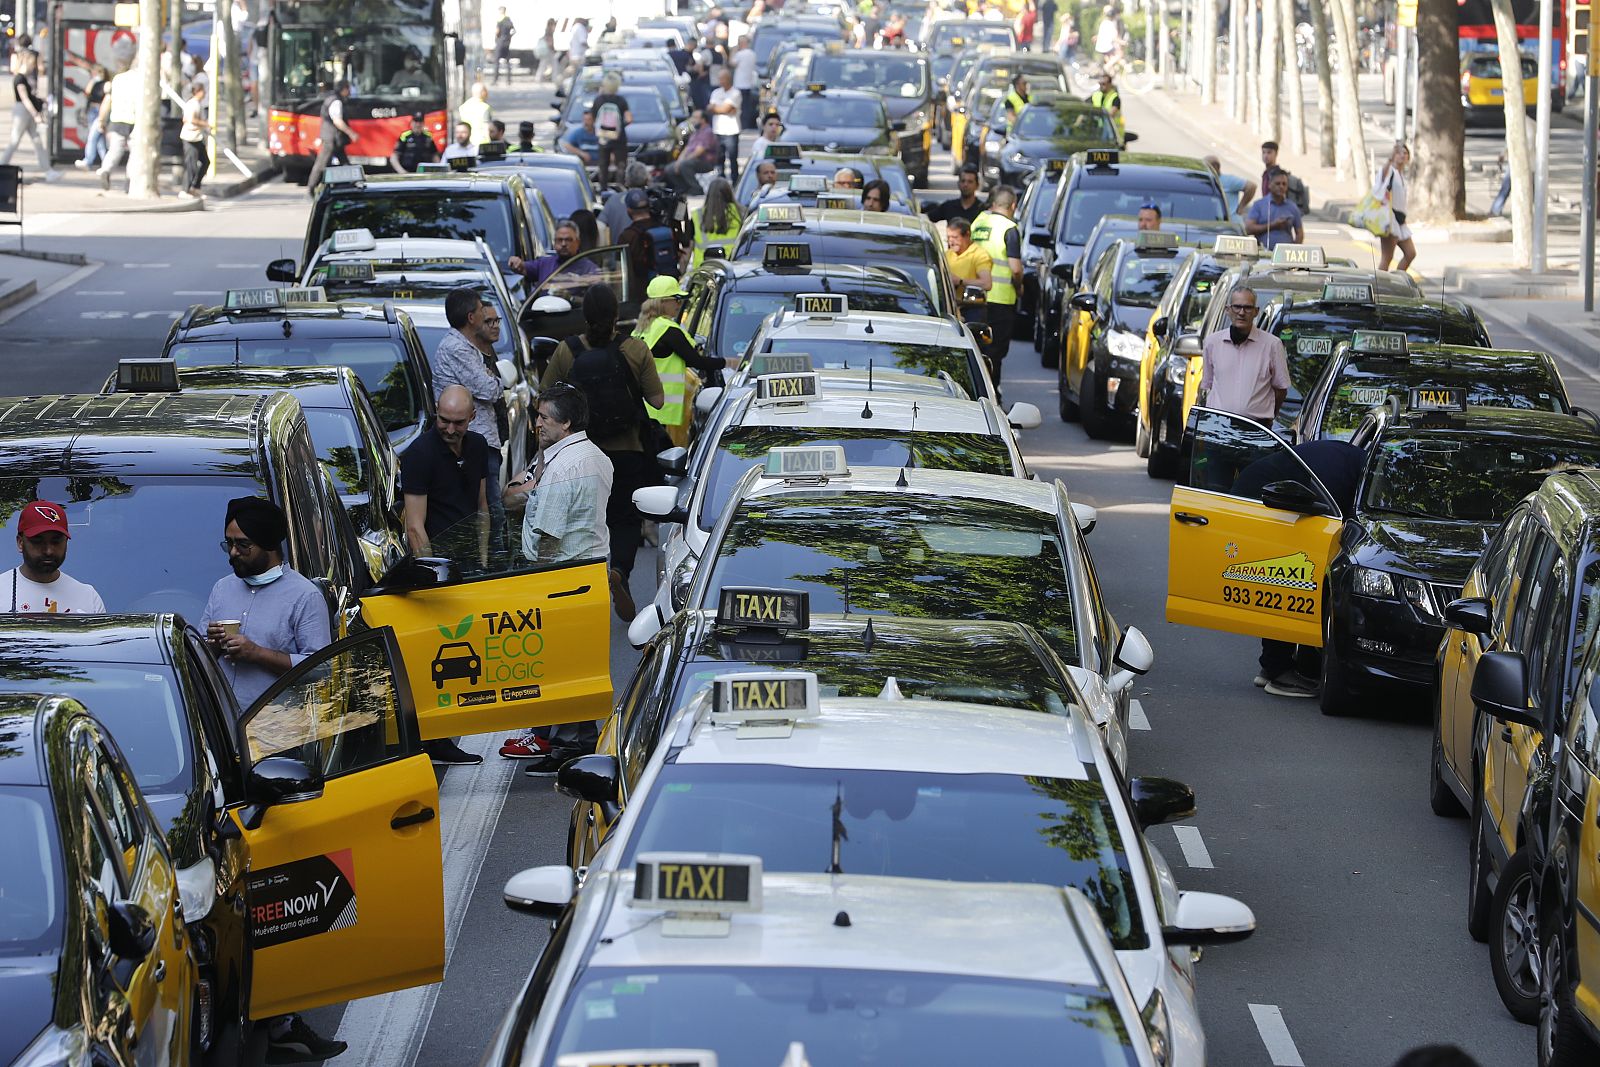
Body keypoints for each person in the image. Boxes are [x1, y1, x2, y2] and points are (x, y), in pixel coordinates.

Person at [497, 383, 613, 769]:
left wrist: (533, 570)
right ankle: (575, 744)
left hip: (561, 578)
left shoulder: (562, 465)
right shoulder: (595, 456)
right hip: (589, 573)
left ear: (565, 422)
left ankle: (566, 751)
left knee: (561, 667)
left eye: (544, 417)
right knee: (581, 666)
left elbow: (546, 533)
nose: (537, 424)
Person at [540, 285, 665, 598]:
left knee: (582, 521)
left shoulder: (566, 351)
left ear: (584, 317)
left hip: (581, 453)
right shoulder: (635, 350)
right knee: (624, 519)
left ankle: (582, 586)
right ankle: (619, 570)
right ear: (617, 316)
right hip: (629, 452)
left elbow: (544, 399)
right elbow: (659, 401)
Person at [1230, 437, 1364, 699]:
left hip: (1264, 499)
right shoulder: (1342, 475)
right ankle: (1278, 672)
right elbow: (1336, 521)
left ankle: (1270, 668)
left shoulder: (1349, 460)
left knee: (1279, 586)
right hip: (1260, 501)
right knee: (1285, 585)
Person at [432, 289, 510, 555]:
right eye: (481, 311)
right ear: (471, 317)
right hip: (472, 437)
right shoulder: (456, 348)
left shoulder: (468, 347)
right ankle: (493, 564)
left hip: (482, 437)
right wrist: (497, 381)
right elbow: (488, 388)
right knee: (489, 508)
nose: (486, 316)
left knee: (489, 508)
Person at [634, 274, 726, 446]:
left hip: (645, 407)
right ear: (663, 302)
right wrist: (727, 363)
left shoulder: (642, 328)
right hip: (663, 410)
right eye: (676, 299)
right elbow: (696, 361)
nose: (679, 304)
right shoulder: (668, 329)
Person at [401, 384, 491, 561]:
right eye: (444, 420)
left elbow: (482, 506)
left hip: (471, 558)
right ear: (436, 409)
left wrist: (483, 557)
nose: (450, 430)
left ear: (472, 416)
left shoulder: (478, 445)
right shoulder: (420, 454)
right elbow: (414, 527)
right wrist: (433, 573)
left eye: (458, 423)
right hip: (440, 559)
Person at [3, 501, 103, 613]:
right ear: (20, 543)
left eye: (56, 541)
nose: (48, 551)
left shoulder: (89, 598)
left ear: (66, 543)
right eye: (38, 541)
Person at [972, 187, 1023, 386]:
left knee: (978, 350)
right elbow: (1016, 269)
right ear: (1013, 206)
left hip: (976, 297)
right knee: (995, 353)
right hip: (1001, 299)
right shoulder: (1009, 229)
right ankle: (993, 395)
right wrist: (1019, 287)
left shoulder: (979, 222)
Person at [2, 49, 60, 182]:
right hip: (22, 112)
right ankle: (2, 165)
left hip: (26, 111)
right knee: (15, 140)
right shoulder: (20, 79)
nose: (34, 66)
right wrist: (35, 114)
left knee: (37, 141)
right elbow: (25, 99)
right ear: (27, 61)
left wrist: (40, 102)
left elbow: (30, 97)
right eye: (33, 63)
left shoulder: (24, 78)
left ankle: (48, 170)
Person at [616, 187, 676, 288]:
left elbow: (620, 271)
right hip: (668, 288)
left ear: (629, 210)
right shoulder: (666, 229)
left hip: (642, 293)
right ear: (649, 207)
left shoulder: (627, 236)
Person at [95, 60, 141, 192]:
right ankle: (130, 180)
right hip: (135, 120)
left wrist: (101, 120)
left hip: (117, 118)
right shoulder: (142, 80)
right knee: (135, 153)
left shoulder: (118, 79)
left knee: (115, 149)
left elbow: (108, 100)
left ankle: (106, 169)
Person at [305, 80, 355, 197]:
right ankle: (311, 189)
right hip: (331, 139)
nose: (349, 92)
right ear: (344, 89)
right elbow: (337, 121)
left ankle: (354, 183)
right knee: (321, 164)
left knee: (344, 162)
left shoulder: (331, 98)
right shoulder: (336, 102)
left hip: (334, 139)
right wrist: (351, 133)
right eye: (348, 89)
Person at [1375, 142, 1416, 272]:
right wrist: (1390, 160)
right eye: (1399, 153)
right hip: (1390, 220)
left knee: (1410, 253)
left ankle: (1398, 279)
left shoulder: (1401, 175)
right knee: (1387, 257)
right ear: (1393, 156)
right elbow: (1382, 178)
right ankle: (1379, 286)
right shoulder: (1389, 171)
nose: (1402, 155)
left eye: (1405, 153)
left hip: (1400, 221)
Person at [510, 218, 589, 285]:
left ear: (578, 242)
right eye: (559, 240)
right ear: (554, 243)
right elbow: (523, 268)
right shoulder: (545, 264)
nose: (563, 244)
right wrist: (516, 263)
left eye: (568, 240)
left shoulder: (589, 269)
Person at [663, 109, 721, 194]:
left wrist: (683, 161)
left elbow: (699, 151)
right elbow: (687, 149)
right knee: (669, 168)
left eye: (695, 118)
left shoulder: (707, 132)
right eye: (692, 117)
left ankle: (697, 189)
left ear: (703, 120)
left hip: (704, 161)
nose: (692, 120)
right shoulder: (695, 132)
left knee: (685, 165)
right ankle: (683, 188)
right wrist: (679, 161)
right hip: (691, 160)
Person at [689, 178, 742, 270]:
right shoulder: (741, 214)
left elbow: (688, 250)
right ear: (729, 193)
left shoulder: (697, 216)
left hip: (703, 271)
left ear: (709, 194)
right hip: (732, 269)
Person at [1246, 168, 1305, 250]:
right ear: (1269, 185)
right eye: (1278, 184)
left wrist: (1294, 250)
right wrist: (1273, 225)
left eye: (1284, 184)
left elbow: (1300, 233)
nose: (1281, 187)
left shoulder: (1292, 207)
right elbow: (1248, 229)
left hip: (1285, 254)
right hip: (1263, 253)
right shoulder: (1259, 205)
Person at [590, 71, 631, 187]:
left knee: (603, 165)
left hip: (603, 137)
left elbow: (593, 118)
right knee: (621, 165)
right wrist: (620, 126)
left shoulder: (598, 100)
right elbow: (629, 119)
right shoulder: (621, 100)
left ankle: (603, 190)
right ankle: (620, 188)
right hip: (619, 138)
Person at [945, 216, 993, 297]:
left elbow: (987, 284)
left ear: (967, 235)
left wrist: (960, 281)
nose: (951, 242)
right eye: (948, 237)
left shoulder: (980, 255)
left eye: (955, 237)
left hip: (970, 306)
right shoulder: (947, 254)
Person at [708, 68, 742, 182]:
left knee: (732, 158)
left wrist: (717, 108)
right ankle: (720, 180)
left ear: (729, 79)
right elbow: (710, 108)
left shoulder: (735, 93)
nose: (721, 81)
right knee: (719, 158)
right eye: (720, 79)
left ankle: (734, 180)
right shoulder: (716, 92)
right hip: (718, 130)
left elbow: (726, 108)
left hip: (731, 131)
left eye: (723, 78)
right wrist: (721, 109)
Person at [178, 81, 210, 200]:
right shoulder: (193, 104)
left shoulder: (196, 104)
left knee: (205, 161)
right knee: (191, 164)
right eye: (203, 91)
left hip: (197, 137)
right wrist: (205, 124)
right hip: (190, 137)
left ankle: (195, 187)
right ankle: (185, 189)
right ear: (198, 92)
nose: (205, 93)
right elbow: (191, 119)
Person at [600, 162, 650, 237]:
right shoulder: (652, 199)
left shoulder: (613, 200)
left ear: (626, 181)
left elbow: (600, 226)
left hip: (620, 247)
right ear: (646, 180)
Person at [1258, 141, 1309, 211]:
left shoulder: (1279, 175)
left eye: (1269, 152)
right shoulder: (1266, 174)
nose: (1265, 156)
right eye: (1263, 152)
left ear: (1276, 154)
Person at [77, 64, 109, 170]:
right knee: (99, 140)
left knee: (92, 137)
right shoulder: (94, 83)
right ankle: (106, 162)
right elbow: (88, 92)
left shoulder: (106, 84)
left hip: (100, 111)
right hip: (93, 110)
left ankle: (88, 160)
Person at [1204, 154, 1256, 219]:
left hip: (1230, 220)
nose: (1204, 169)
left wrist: (1241, 207)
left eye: (1207, 167)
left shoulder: (1228, 180)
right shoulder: (1207, 180)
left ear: (1216, 167)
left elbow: (1251, 186)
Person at [1089, 70, 1123, 138]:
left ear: (1110, 84)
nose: (1101, 86)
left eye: (1103, 84)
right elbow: (1084, 108)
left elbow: (1110, 114)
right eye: (1100, 83)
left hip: (1112, 133)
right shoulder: (1096, 95)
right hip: (1098, 131)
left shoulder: (1115, 98)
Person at [458, 82, 493, 146]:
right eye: (486, 91)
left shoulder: (463, 106)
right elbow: (487, 128)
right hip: (482, 142)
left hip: (467, 141)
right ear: (483, 92)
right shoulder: (485, 107)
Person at [492, 7, 516, 84]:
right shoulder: (508, 20)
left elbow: (497, 31)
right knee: (508, 62)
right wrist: (509, 37)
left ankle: (495, 80)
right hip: (507, 43)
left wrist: (496, 38)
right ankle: (509, 80)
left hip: (500, 42)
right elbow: (514, 30)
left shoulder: (500, 20)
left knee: (496, 61)